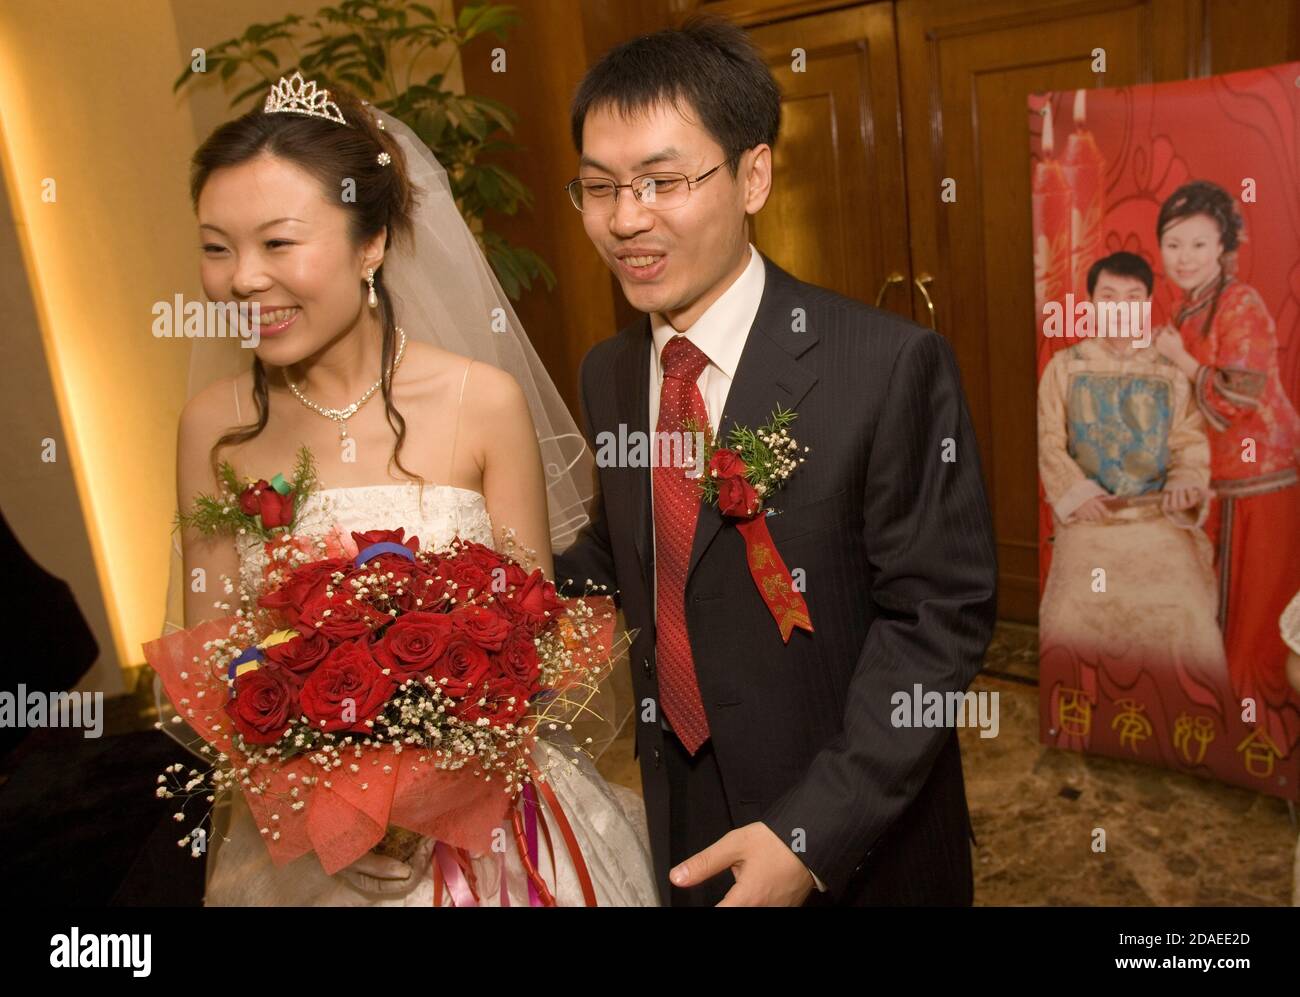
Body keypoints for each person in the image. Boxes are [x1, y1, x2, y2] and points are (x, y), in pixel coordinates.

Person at [165, 72, 657, 905]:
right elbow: (215, 660)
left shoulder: (480, 403)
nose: (242, 280)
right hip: (305, 852)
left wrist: (439, 792)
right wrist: (322, 813)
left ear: (371, 245)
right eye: (217, 247)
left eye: (278, 244)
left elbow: (531, 640)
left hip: (492, 832)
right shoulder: (212, 427)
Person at [553, 17, 997, 906]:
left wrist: (813, 835)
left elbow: (936, 623)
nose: (625, 218)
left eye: (662, 181)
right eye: (599, 188)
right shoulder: (609, 371)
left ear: (752, 174)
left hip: (854, 831)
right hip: (681, 807)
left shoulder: (883, 363)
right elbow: (635, 548)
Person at [1037, 252, 1230, 768]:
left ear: (1147, 303)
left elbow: (1190, 445)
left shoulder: (1169, 371)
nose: (1120, 307)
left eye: (1132, 298)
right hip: (1092, 520)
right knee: (1072, 610)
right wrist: (1080, 495)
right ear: (1091, 303)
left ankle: (1187, 733)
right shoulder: (1065, 368)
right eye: (1108, 297)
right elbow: (1049, 445)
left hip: (1154, 520)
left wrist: (1187, 484)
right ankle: (1083, 732)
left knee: (1187, 606)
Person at [1151, 180, 1300, 753]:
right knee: (1217, 618)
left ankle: (1260, 746)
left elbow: (1239, 392)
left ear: (1222, 249)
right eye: (1173, 244)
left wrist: (1180, 360)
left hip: (1262, 484)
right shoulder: (1187, 306)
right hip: (1217, 488)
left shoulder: (1241, 303)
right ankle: (1222, 738)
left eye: (1198, 245)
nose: (1185, 258)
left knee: (1253, 631)